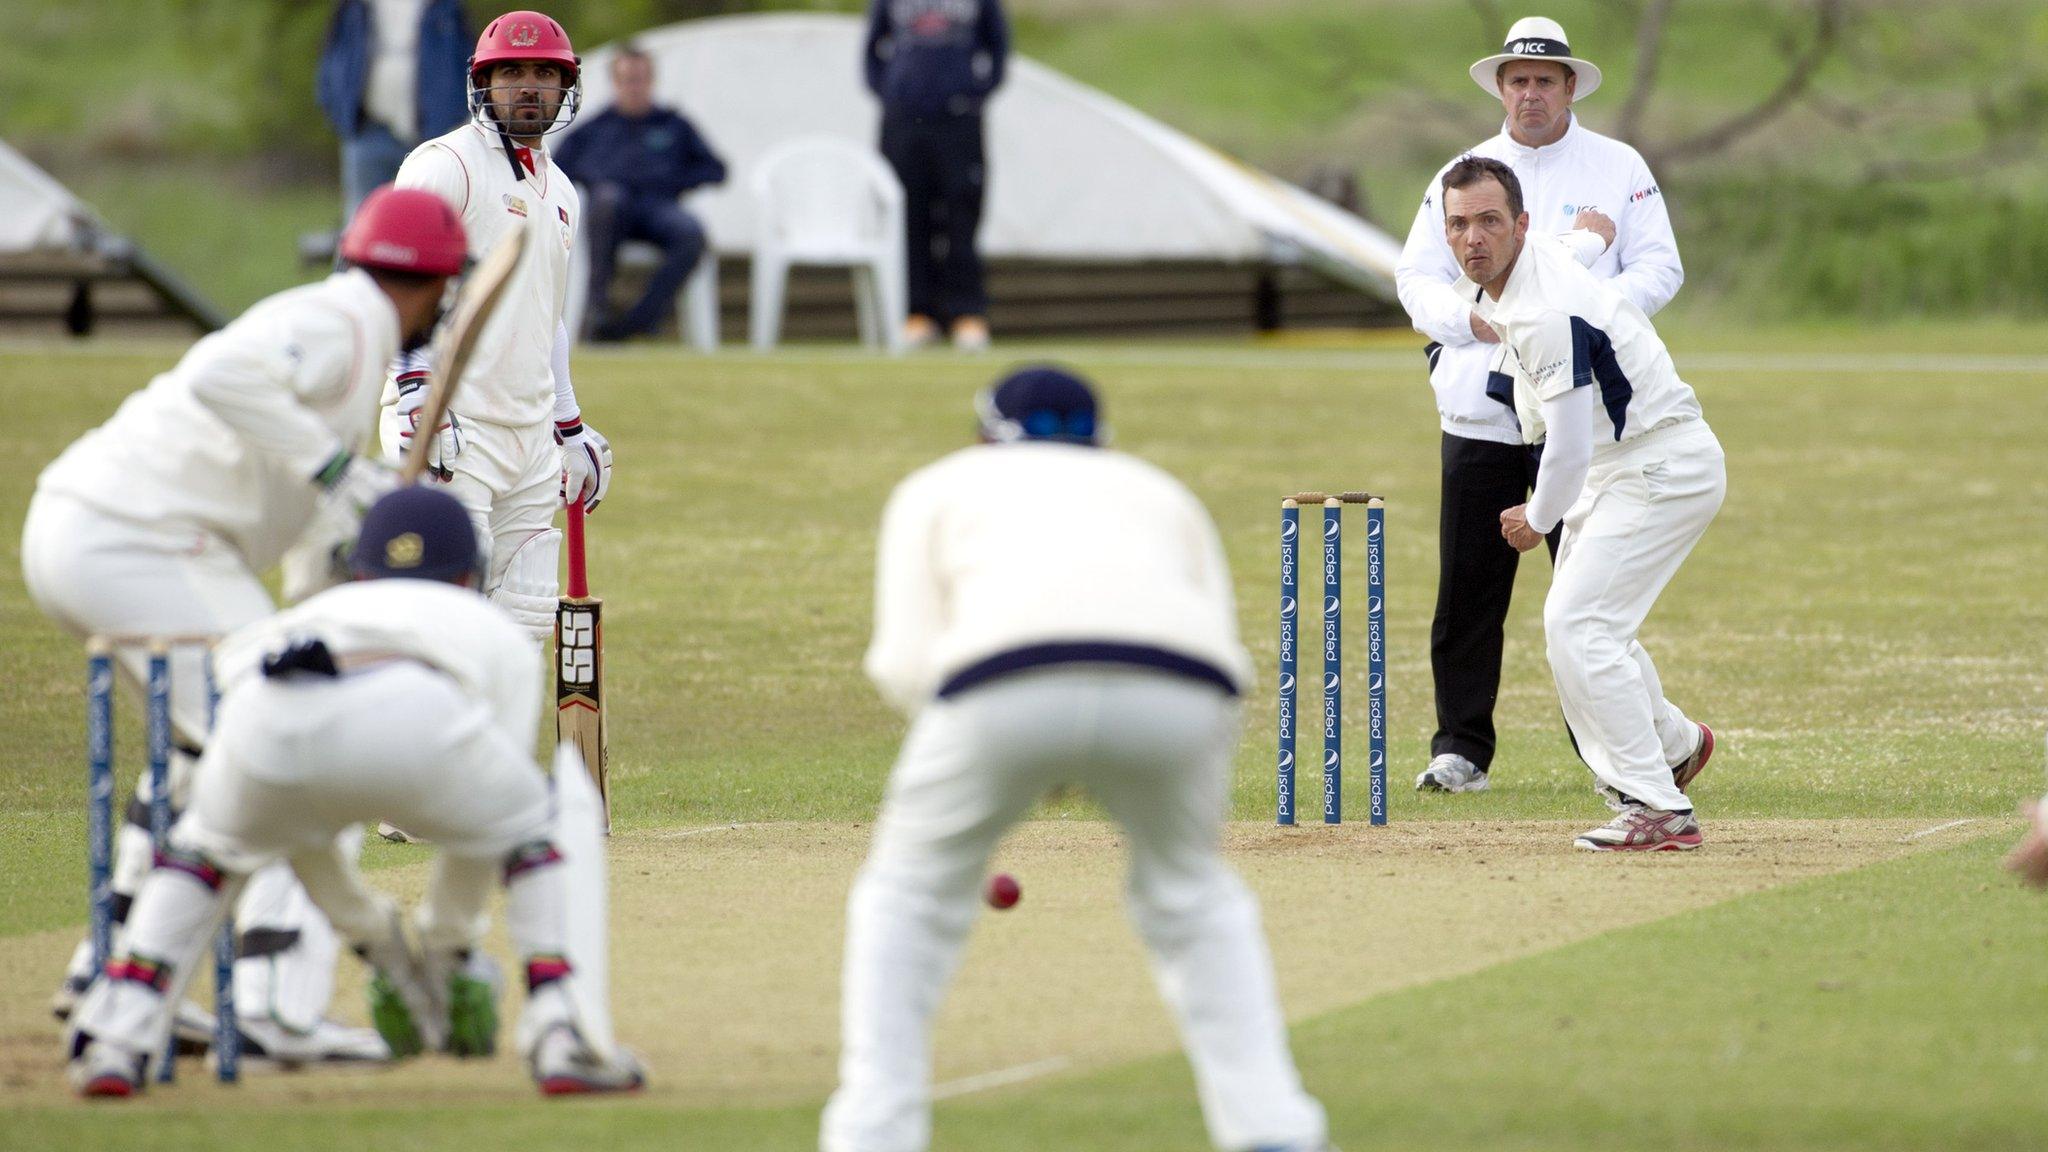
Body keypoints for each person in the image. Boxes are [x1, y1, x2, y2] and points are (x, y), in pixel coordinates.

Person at [822, 367, 1328, 1152]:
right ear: (1103, 437)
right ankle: (1276, 1132)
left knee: (908, 896)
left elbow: (902, 663)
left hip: (999, 684)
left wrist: (1016, 748)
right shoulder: (1159, 490)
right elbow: (1226, 648)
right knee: (1192, 898)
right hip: (1184, 689)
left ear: (986, 432)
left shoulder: (938, 486)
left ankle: (871, 1135)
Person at [24, 187, 467, 1066]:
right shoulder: (343, 321)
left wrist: (353, 530)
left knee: (210, 762)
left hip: (105, 535)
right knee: (299, 746)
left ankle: (108, 969)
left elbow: (298, 516)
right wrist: (339, 467)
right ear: (432, 284)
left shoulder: (349, 335)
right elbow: (216, 374)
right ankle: (274, 1003)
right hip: (135, 539)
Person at [63, 486, 646, 1098]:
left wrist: (380, 946)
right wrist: (445, 955)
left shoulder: (291, 624)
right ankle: (561, 1032)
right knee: (537, 831)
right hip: (417, 713)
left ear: (357, 571)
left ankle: (116, 1039)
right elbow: (483, 834)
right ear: (471, 575)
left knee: (200, 855)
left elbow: (299, 836)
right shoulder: (490, 630)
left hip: (266, 717)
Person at [1396, 16, 1686, 796]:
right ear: (1501, 87)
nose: (1530, 94)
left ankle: (1610, 758)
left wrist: (1583, 316)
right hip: (1481, 412)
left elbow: (1661, 267)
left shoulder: (1616, 166)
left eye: (1545, 81)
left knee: (1585, 598)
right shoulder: (1463, 173)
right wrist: (1472, 321)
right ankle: (1460, 748)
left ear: (1569, 87)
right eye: (1518, 80)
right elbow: (1415, 279)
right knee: (1468, 593)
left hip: (1580, 409)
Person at [1441, 155, 1721, 851]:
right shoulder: (1533, 258)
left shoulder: (1540, 312)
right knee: (1590, 626)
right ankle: (1675, 745)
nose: (1473, 238)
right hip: (1623, 465)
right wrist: (1595, 233)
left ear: (1520, 226)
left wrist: (1535, 520)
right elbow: (1577, 242)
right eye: (1458, 224)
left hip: (1659, 462)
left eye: (1488, 222)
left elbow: (1563, 447)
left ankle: (1657, 804)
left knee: (1578, 626)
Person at [385, 8, 613, 649]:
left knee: (527, 621)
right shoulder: (445, 165)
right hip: (451, 421)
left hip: (530, 433)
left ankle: (494, 751)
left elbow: (549, 319)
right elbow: (389, 282)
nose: (528, 86)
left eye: (544, 73)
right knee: (447, 611)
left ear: (565, 88)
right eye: (510, 72)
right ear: (482, 84)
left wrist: (570, 427)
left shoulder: (564, 192)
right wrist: (411, 388)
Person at [863, 0, 1008, 352]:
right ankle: (916, 314)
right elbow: (871, 51)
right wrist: (893, 95)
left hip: (958, 121)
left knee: (962, 213)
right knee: (908, 216)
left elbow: (998, 47)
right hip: (903, 122)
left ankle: (966, 314)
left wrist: (972, 94)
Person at [555, 44, 726, 342]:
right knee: (608, 201)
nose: (634, 87)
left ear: (651, 80)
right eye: (627, 79)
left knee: (691, 232)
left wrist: (676, 181)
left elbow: (716, 169)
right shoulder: (593, 130)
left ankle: (641, 319)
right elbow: (556, 171)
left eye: (641, 79)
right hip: (607, 213)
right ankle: (598, 311)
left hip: (658, 207)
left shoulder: (674, 125)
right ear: (615, 82)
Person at [317, 0, 474, 220]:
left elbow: (462, 61)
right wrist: (340, 111)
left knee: (429, 218)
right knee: (362, 221)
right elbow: (335, 56)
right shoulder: (354, 6)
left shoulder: (444, 7)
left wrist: (452, 118)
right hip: (368, 130)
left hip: (430, 133)